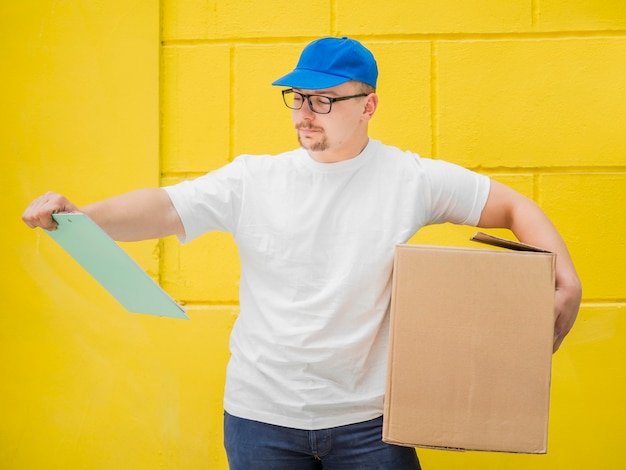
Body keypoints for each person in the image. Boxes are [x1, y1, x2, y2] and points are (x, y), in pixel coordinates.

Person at [22, 37, 582, 469]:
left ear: (369, 105)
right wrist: (81, 219)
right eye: (296, 98)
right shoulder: (253, 179)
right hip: (260, 417)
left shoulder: (410, 179)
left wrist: (567, 282)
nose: (303, 113)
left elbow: (512, 208)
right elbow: (163, 209)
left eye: (323, 100)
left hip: (371, 421)